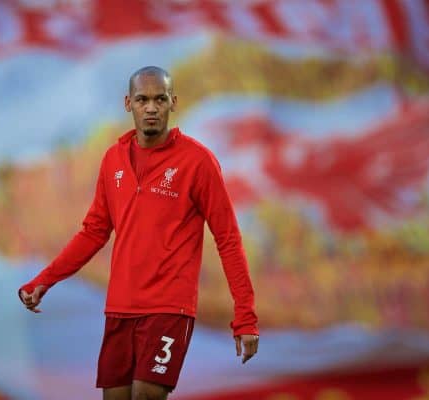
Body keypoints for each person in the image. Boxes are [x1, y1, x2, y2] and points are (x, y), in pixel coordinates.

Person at [19, 66, 259, 400]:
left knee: (146, 395)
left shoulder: (197, 162)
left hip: (168, 308)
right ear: (127, 103)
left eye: (159, 99)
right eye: (142, 99)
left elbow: (229, 240)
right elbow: (93, 232)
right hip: (120, 307)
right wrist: (44, 279)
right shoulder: (112, 159)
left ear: (172, 103)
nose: (151, 108)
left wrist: (245, 317)